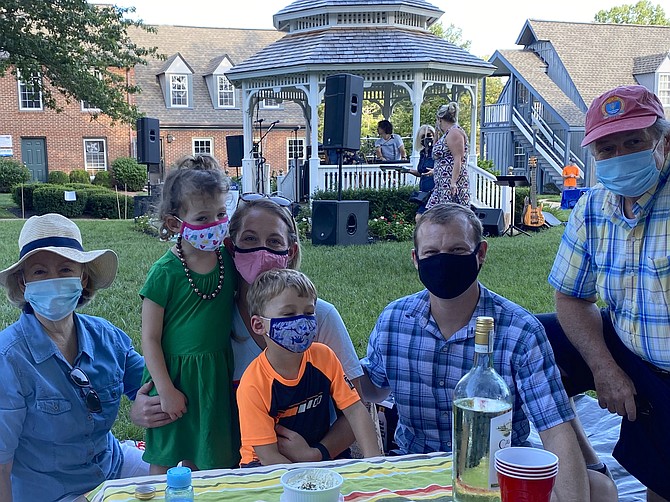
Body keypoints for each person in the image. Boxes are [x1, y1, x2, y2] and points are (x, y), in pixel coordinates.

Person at [360, 203, 617, 501]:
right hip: (415, 466)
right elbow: (373, 390)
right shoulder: (393, 320)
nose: (443, 261)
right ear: (416, 260)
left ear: (480, 254)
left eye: (457, 251)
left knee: (599, 491)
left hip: (498, 474)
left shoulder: (520, 330)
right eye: (431, 253)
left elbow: (555, 428)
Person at [541, 85, 670, 502]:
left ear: (663, 143)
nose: (619, 157)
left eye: (633, 142)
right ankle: (581, 461)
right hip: (627, 342)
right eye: (607, 148)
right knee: (526, 341)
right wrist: (604, 368)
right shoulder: (593, 207)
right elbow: (570, 297)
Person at [0, 214, 150, 502]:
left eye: (65, 268)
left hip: (112, 465)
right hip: (49, 491)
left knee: (185, 483)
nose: (54, 280)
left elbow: (150, 385)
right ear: (23, 283)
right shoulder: (8, 358)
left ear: (83, 277)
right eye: (40, 272)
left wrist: (144, 405)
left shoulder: (107, 337)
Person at [225, 194, 364, 462]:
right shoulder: (217, 321)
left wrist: (317, 453)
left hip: (324, 464)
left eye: (274, 241)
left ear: (291, 252)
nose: (262, 251)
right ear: (232, 247)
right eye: (250, 239)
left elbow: (357, 408)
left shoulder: (320, 316)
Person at [140, 154, 239, 474]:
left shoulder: (228, 259)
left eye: (221, 214)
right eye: (202, 218)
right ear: (174, 223)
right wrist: (166, 390)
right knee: (166, 458)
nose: (214, 225)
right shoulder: (164, 272)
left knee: (212, 457)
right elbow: (150, 339)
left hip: (214, 375)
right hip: (173, 376)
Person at [237, 268, 381, 466]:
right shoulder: (253, 383)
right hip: (263, 466)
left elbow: (355, 410)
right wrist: (308, 480)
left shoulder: (325, 357)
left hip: (316, 454)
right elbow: (268, 456)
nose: (301, 320)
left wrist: (375, 462)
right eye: (288, 313)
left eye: (308, 312)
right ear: (259, 325)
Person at [426, 102, 470, 208]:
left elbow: (458, 158)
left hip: (450, 184)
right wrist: (435, 170)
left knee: (449, 217)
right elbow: (440, 153)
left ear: (440, 119)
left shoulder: (454, 132)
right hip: (441, 184)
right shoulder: (447, 134)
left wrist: (453, 182)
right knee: (433, 215)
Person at [408, 124, 436, 221]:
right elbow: (422, 173)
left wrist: (434, 171)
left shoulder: (437, 151)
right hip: (425, 193)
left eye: (429, 135)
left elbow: (446, 168)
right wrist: (408, 170)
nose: (426, 139)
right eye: (423, 137)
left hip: (435, 191)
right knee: (420, 219)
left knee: (420, 218)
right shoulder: (423, 153)